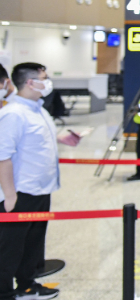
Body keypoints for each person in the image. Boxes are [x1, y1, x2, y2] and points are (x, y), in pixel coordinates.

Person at [0, 63, 63, 300]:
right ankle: (4, 291)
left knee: (32, 243)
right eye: (44, 78)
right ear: (29, 82)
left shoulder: (39, 109)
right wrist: (10, 195)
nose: (48, 83)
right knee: (10, 246)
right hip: (21, 192)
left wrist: (63, 139)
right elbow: (2, 157)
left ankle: (27, 284)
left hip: (41, 189)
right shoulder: (13, 114)